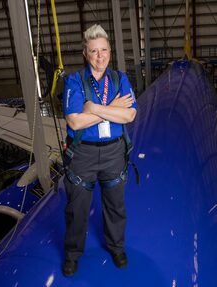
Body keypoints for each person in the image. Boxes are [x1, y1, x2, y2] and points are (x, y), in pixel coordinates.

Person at [61, 24, 137, 277]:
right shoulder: (74, 80)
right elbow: (74, 122)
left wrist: (93, 107)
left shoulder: (119, 79)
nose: (100, 56)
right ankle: (72, 254)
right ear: (86, 54)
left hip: (115, 152)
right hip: (83, 154)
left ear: (110, 51)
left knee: (115, 205)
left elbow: (129, 115)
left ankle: (117, 247)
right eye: (94, 51)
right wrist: (112, 108)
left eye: (103, 50)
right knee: (77, 208)